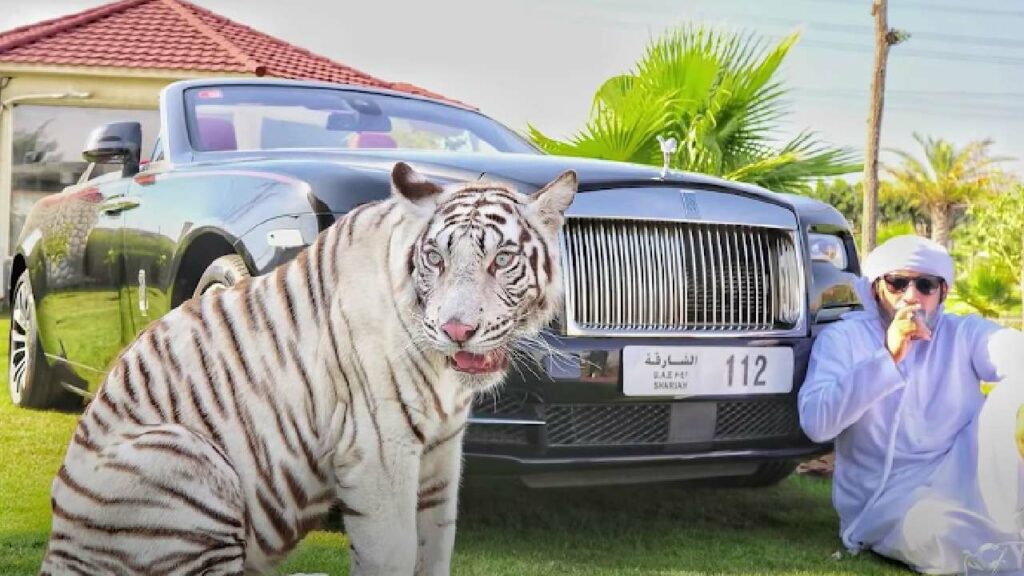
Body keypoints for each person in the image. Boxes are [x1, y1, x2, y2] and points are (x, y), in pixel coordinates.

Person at [798, 234, 1024, 573]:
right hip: (889, 501)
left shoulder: (961, 334)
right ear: (875, 288)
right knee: (950, 536)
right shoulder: (844, 339)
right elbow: (816, 423)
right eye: (897, 282)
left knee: (1015, 393)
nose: (910, 296)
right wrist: (888, 357)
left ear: (943, 292)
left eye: (925, 285)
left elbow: (1010, 351)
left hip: (963, 474)